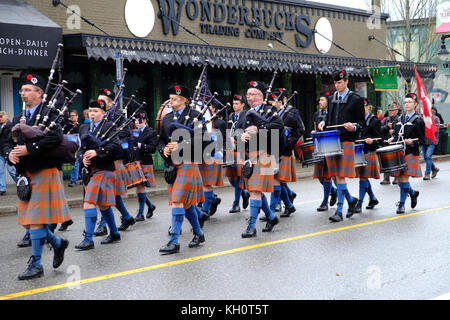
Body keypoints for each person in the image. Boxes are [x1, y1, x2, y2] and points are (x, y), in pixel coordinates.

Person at [5, 74, 70, 280]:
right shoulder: (18, 117)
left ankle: (36, 263)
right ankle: (58, 243)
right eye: (22, 90)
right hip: (26, 173)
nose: (23, 93)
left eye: (27, 90)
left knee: (34, 221)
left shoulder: (49, 113)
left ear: (39, 93)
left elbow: (55, 138)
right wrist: (10, 153)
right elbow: (6, 141)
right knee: (28, 221)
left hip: (44, 170)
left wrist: (28, 149)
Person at [157, 84, 205, 254]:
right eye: (170, 98)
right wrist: (164, 149)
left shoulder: (196, 116)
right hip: (172, 164)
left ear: (184, 100)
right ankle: (199, 234)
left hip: (188, 162)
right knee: (185, 204)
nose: (171, 101)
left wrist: (181, 145)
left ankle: (174, 240)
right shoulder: (167, 118)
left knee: (177, 199)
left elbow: (203, 142)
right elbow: (161, 140)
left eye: (175, 99)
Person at [75, 99, 122, 250]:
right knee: (103, 205)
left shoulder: (109, 126)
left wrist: (97, 152)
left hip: (105, 169)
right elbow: (80, 149)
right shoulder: (83, 127)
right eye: (90, 111)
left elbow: (116, 146)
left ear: (103, 113)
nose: (92, 114)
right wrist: (83, 158)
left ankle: (88, 239)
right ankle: (114, 233)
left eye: (95, 111)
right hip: (90, 171)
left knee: (88, 201)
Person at [318, 69, 364, 223]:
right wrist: (325, 123)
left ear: (346, 81)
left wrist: (355, 127)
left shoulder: (356, 99)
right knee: (336, 176)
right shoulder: (331, 100)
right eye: (335, 83)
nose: (337, 85)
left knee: (340, 176)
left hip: (346, 141)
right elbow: (330, 121)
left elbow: (362, 123)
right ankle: (351, 200)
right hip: (332, 141)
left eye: (339, 82)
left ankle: (339, 211)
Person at [240, 80, 283, 238]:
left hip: (265, 153)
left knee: (255, 190)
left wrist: (259, 129)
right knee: (254, 190)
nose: (248, 97)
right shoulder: (245, 113)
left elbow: (279, 126)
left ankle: (251, 226)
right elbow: (236, 131)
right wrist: (240, 135)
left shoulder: (269, 110)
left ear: (260, 96)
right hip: (249, 155)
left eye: (251, 94)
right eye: (248, 94)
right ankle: (271, 218)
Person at [94, 88, 135, 236]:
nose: (100, 103)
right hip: (99, 157)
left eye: (103, 101)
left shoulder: (118, 116)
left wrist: (111, 132)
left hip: (114, 157)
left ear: (111, 103)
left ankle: (103, 224)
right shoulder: (97, 115)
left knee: (107, 193)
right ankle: (127, 217)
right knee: (113, 194)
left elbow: (126, 133)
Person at [269, 88, 303, 218]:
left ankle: (274, 210)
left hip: (285, 149)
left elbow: (300, 129)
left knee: (277, 179)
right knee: (278, 180)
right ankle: (289, 204)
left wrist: (290, 141)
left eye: (276, 100)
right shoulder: (272, 113)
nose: (273, 103)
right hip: (274, 149)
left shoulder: (293, 112)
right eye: (272, 100)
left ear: (283, 99)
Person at [388, 93, 425, 214]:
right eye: (405, 102)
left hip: (410, 152)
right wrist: (392, 139)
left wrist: (412, 143)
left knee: (403, 179)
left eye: (409, 102)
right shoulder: (399, 119)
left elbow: (422, 139)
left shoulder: (418, 120)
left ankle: (401, 204)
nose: (407, 104)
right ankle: (413, 193)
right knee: (399, 180)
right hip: (398, 152)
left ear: (415, 104)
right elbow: (396, 135)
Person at [352, 99, 382, 214]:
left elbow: (380, 140)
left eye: (363, 106)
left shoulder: (374, 121)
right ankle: (373, 199)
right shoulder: (356, 121)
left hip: (369, 151)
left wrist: (372, 141)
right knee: (363, 177)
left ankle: (359, 203)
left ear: (369, 107)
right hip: (358, 151)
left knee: (363, 178)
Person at [129, 111, 157, 225]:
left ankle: (140, 213)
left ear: (144, 120)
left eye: (139, 120)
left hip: (145, 161)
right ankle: (150, 206)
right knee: (139, 187)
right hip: (135, 162)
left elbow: (153, 148)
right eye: (135, 120)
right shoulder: (132, 132)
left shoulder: (151, 132)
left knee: (140, 187)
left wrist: (140, 145)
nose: (137, 122)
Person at [312, 91, 337, 212]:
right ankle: (334, 191)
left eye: (322, 100)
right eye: (319, 100)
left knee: (327, 176)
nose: (320, 102)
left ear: (328, 101)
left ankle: (324, 202)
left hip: (330, 146)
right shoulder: (317, 114)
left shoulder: (334, 114)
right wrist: (313, 132)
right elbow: (315, 128)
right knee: (319, 176)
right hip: (319, 146)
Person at [225, 94, 250, 213]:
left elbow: (247, 131)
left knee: (239, 177)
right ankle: (244, 193)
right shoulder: (230, 116)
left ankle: (236, 203)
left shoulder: (247, 115)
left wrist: (237, 138)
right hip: (231, 149)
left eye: (237, 103)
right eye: (233, 103)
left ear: (242, 104)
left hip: (241, 148)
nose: (234, 105)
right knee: (231, 177)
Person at [380, 104, 400, 185]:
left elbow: (402, 130)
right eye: (389, 111)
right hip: (386, 143)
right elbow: (379, 129)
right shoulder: (385, 120)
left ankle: (397, 177)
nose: (390, 112)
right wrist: (387, 127)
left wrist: (394, 131)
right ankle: (386, 178)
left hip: (396, 142)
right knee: (385, 161)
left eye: (392, 110)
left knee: (396, 161)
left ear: (396, 111)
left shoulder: (399, 119)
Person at [0, 111, 18, 195]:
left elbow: (11, 139)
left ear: (6, 116)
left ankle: (21, 183)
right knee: (0, 171)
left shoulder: (11, 126)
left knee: (11, 170)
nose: (0, 118)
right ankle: (2, 189)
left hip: (9, 151)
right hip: (1, 152)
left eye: (1, 116)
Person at [422, 110, 440, 180]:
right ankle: (434, 168)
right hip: (424, 141)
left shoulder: (435, 118)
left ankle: (427, 173)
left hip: (431, 141)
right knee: (425, 158)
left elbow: (436, 130)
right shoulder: (422, 118)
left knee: (428, 156)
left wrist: (428, 123)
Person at [65, 110, 81, 188]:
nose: (71, 117)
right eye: (70, 116)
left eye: (73, 115)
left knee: (76, 162)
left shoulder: (80, 126)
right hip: (68, 148)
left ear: (77, 116)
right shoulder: (67, 126)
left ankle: (73, 180)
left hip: (77, 148)